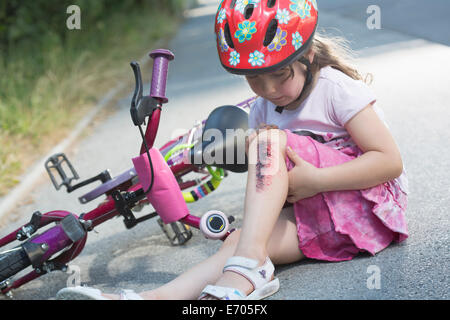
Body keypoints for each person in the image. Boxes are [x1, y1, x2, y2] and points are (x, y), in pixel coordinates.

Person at [56, 0, 408, 300]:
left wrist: (316, 180)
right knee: (237, 243)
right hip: (325, 223)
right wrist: (207, 154)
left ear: (309, 55)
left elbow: (389, 162)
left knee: (267, 144)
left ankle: (251, 263)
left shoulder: (335, 89)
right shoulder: (262, 107)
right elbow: (265, 178)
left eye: (280, 76)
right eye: (255, 79)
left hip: (364, 209)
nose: (269, 90)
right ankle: (156, 297)